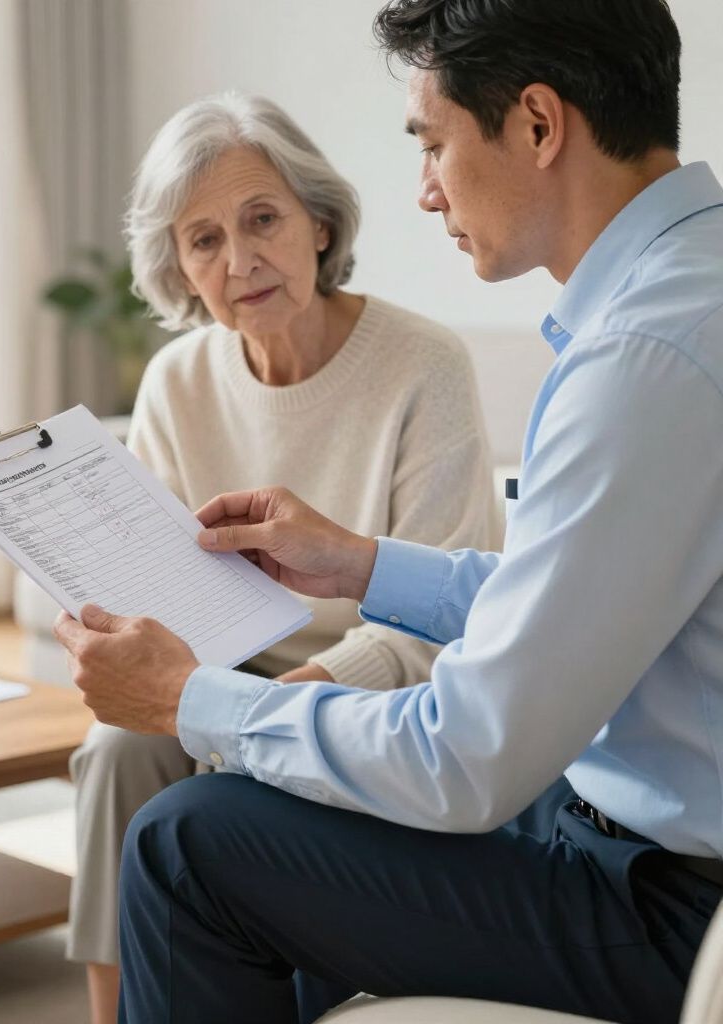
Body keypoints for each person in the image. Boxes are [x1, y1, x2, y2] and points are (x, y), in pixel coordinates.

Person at [56, 0, 723, 1019]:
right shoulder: (682, 297)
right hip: (623, 829)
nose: (423, 191)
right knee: (279, 824)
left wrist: (194, 701)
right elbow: (574, 604)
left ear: (538, 126)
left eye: (433, 144)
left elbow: (469, 757)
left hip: (661, 900)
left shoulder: (641, 359)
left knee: (188, 841)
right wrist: (364, 563)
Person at [65, 92, 500, 1024]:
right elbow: (154, 586)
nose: (240, 260)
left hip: (374, 680)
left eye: (262, 219)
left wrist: (280, 695)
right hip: (218, 663)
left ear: (319, 222)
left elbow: (439, 631)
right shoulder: (178, 380)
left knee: (235, 762)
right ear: (179, 268)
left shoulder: (424, 365)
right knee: (114, 752)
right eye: (204, 240)